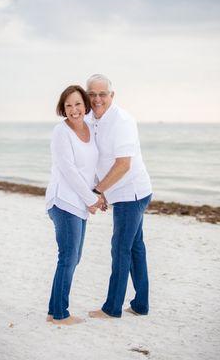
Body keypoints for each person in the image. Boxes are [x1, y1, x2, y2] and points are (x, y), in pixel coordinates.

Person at [85, 74, 152, 319]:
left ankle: (112, 309)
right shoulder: (90, 118)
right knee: (135, 248)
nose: (97, 99)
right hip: (120, 192)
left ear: (112, 95)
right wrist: (101, 189)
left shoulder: (122, 120)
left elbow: (123, 164)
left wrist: (99, 191)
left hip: (132, 193)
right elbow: (96, 158)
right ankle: (141, 305)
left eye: (102, 94)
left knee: (120, 249)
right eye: (92, 94)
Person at [45, 85, 104, 326]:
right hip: (63, 201)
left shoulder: (90, 128)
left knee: (73, 257)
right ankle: (60, 314)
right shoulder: (61, 132)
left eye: (78, 104)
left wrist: (100, 193)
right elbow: (68, 170)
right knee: (68, 257)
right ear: (63, 108)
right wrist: (92, 200)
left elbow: (90, 168)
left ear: (85, 105)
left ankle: (53, 311)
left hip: (79, 202)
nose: (74, 109)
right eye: (68, 105)